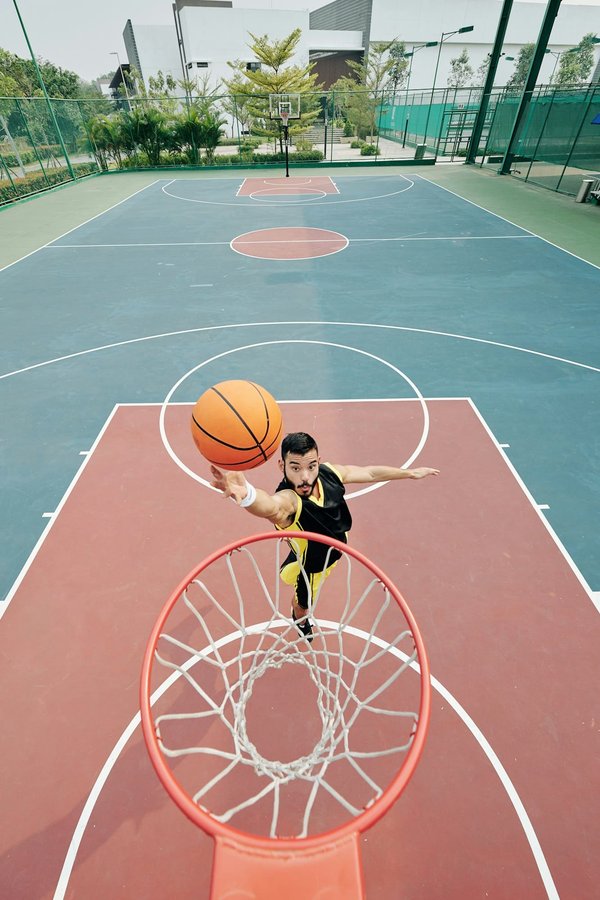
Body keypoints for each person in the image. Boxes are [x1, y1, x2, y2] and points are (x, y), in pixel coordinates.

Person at [210, 432, 439, 641]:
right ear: (282, 466)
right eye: (295, 468)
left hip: (334, 549)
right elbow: (270, 506)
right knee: (303, 605)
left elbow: (368, 472)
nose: (305, 477)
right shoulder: (289, 500)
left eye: (311, 466)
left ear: (319, 462)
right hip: (312, 566)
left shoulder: (330, 473)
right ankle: (299, 619)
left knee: (311, 551)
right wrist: (248, 495)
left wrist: (408, 473)